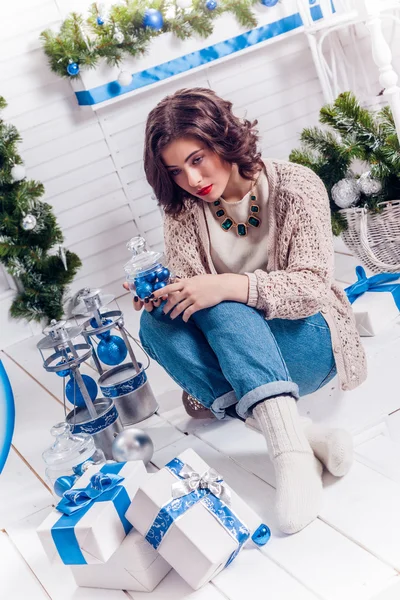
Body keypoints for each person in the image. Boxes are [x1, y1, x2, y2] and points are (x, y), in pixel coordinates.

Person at [125, 87, 367, 535]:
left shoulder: (295, 184)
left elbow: (312, 287)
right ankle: (302, 439)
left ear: (223, 140)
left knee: (221, 303)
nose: (192, 180)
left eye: (198, 158)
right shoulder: (183, 212)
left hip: (309, 341)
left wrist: (227, 286)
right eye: (176, 171)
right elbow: (192, 301)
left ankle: (290, 459)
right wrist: (166, 296)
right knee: (156, 323)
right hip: (244, 354)